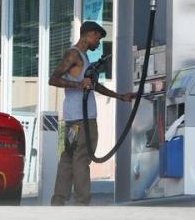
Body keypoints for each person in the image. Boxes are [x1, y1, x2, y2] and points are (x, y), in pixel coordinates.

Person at [50, 21, 134, 206]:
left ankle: (58, 201)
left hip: (74, 120)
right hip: (82, 120)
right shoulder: (74, 54)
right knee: (81, 159)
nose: (98, 43)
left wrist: (120, 96)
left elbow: (93, 85)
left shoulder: (83, 58)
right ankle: (82, 204)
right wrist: (79, 85)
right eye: (98, 38)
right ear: (90, 34)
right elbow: (53, 79)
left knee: (68, 158)